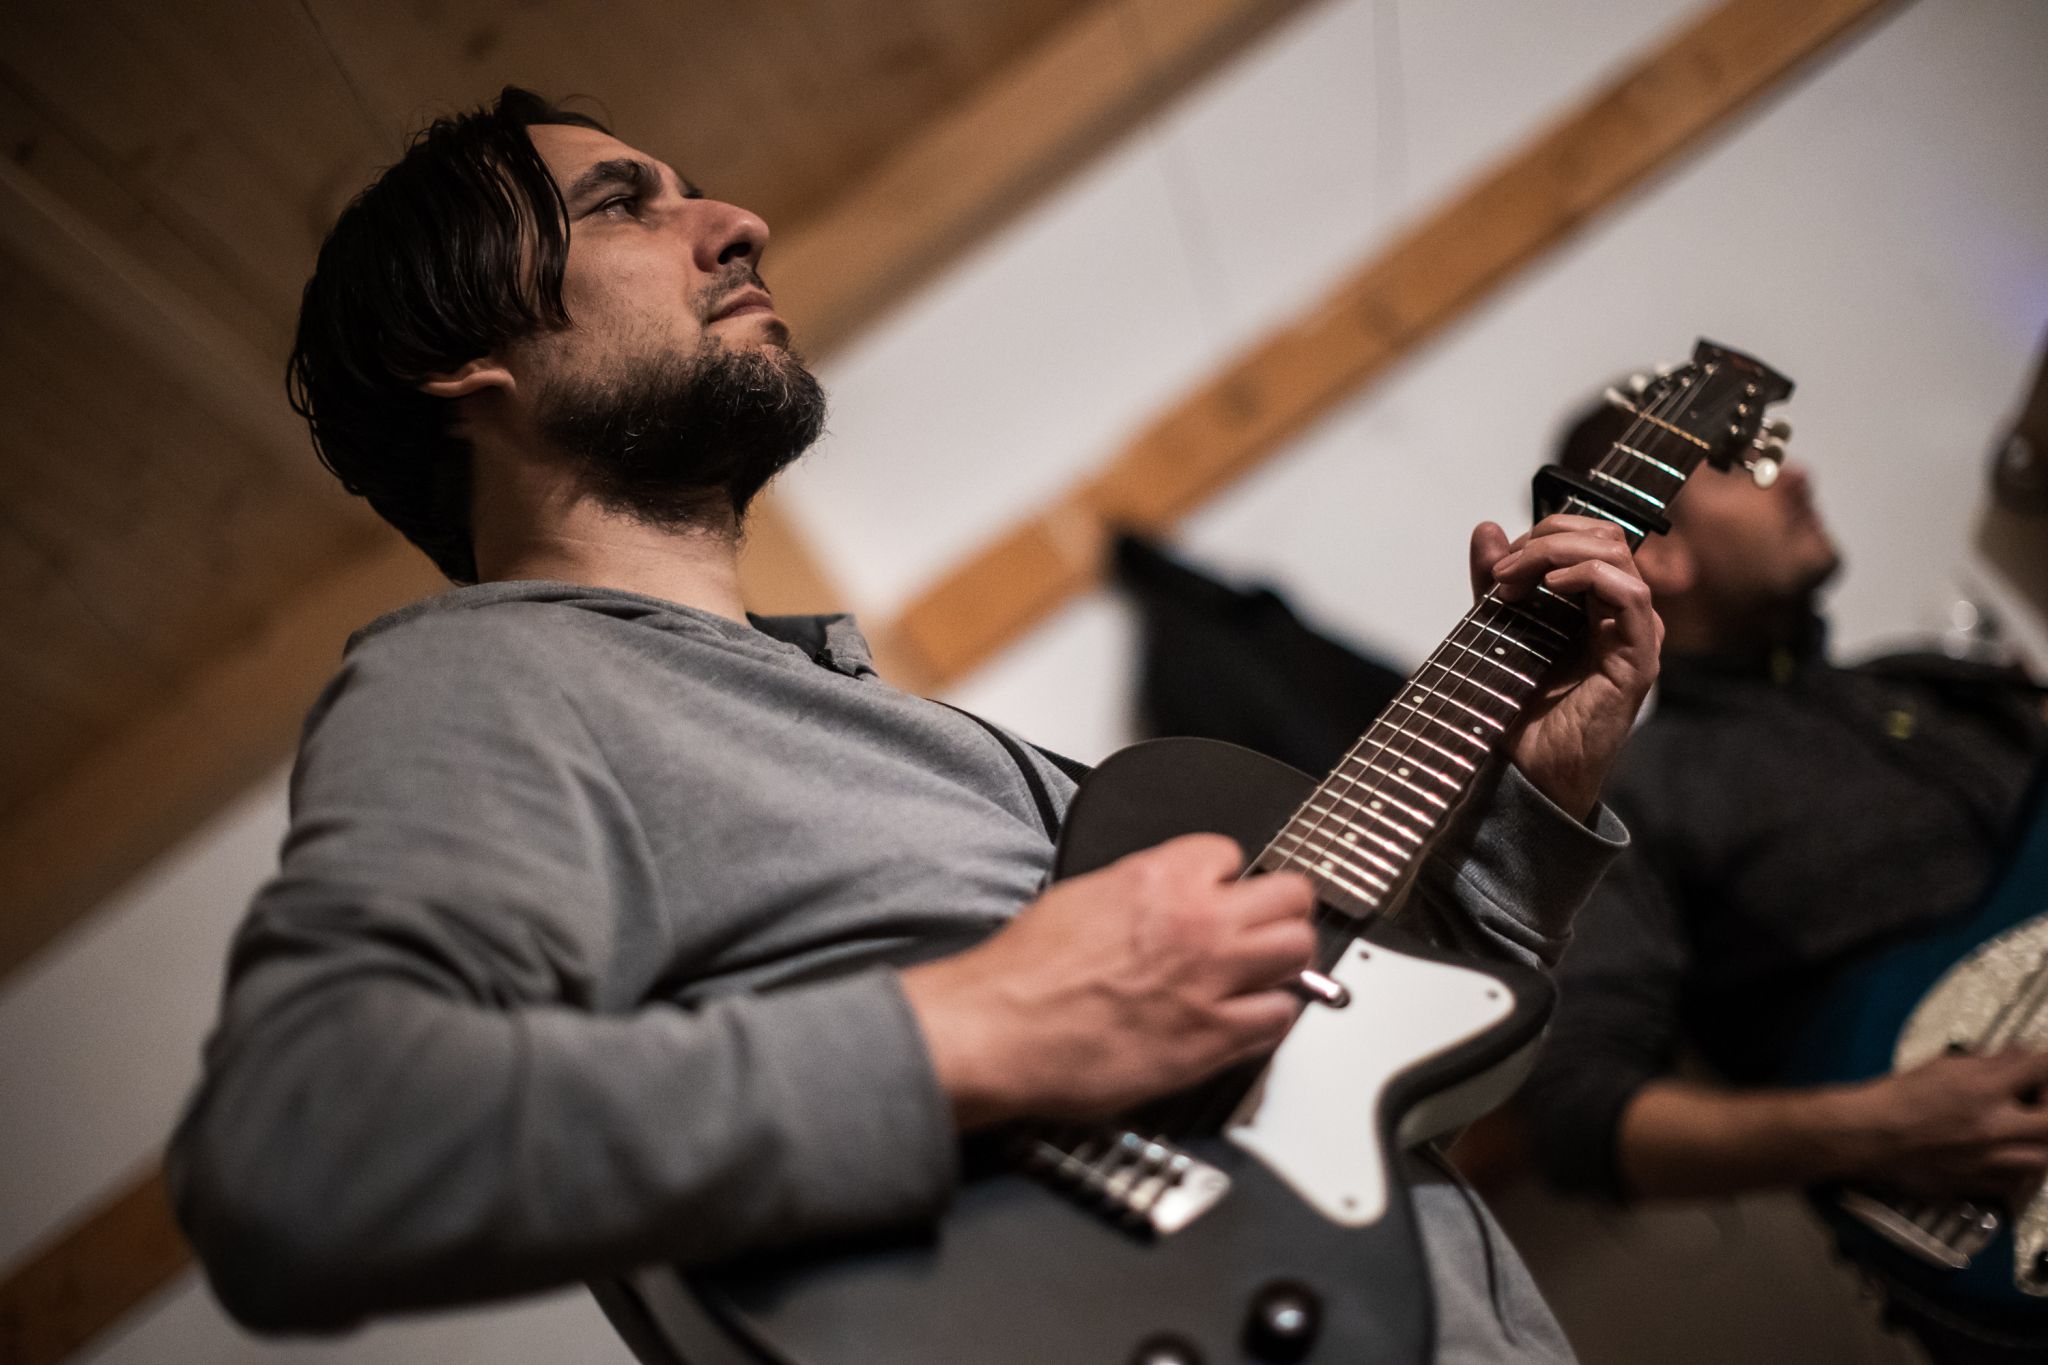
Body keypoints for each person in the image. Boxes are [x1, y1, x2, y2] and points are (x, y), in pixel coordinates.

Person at [167, 88, 1662, 1364]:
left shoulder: (838, 714)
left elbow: (1347, 1067)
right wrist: (987, 1025)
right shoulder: (482, 681)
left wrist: (1535, 800)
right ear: (457, 364)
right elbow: (305, 1145)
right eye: (624, 204)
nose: (737, 222)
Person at [1517, 394, 2048, 1361]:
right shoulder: (1645, 796)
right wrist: (1879, 1128)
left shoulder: (1924, 680)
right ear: (1660, 553)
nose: (1796, 475)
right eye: (1744, 468)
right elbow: (1576, 1114)